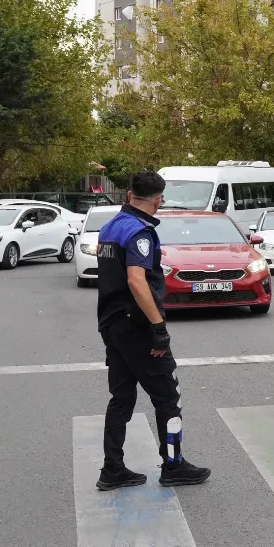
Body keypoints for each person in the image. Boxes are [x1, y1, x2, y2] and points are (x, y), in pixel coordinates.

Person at [95, 171, 211, 491]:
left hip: (112, 325)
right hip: (138, 328)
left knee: (121, 398)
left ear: (130, 194)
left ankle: (112, 469)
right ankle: (173, 465)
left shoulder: (109, 227)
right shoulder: (139, 232)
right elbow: (136, 280)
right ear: (158, 200)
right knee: (167, 398)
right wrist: (158, 328)